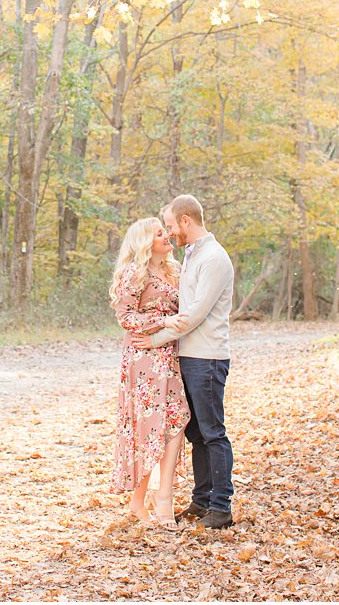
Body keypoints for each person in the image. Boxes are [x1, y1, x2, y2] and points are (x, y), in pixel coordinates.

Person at [131, 194, 235, 529]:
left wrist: (154, 338)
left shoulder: (214, 259)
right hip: (188, 357)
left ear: (186, 221)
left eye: (173, 226)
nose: (171, 233)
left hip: (206, 358)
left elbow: (193, 315)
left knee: (213, 432)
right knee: (196, 434)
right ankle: (202, 500)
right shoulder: (193, 254)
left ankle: (221, 507)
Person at [108, 216, 192, 528]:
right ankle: (138, 502)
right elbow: (124, 316)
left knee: (176, 420)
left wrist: (172, 326)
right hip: (143, 359)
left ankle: (163, 495)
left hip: (169, 356)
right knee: (147, 428)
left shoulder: (175, 270)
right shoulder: (135, 273)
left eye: (165, 232)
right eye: (159, 234)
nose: (166, 236)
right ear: (146, 242)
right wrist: (162, 322)